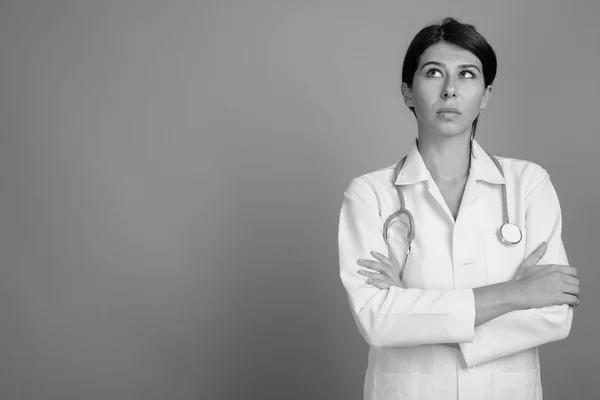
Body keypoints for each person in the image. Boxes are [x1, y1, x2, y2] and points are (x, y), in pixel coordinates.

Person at [338, 17, 579, 400]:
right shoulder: (370, 194)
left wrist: (414, 314)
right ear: (407, 92)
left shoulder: (529, 184)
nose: (450, 90)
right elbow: (377, 320)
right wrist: (515, 293)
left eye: (467, 74)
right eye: (434, 72)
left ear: (485, 95)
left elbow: (553, 314)